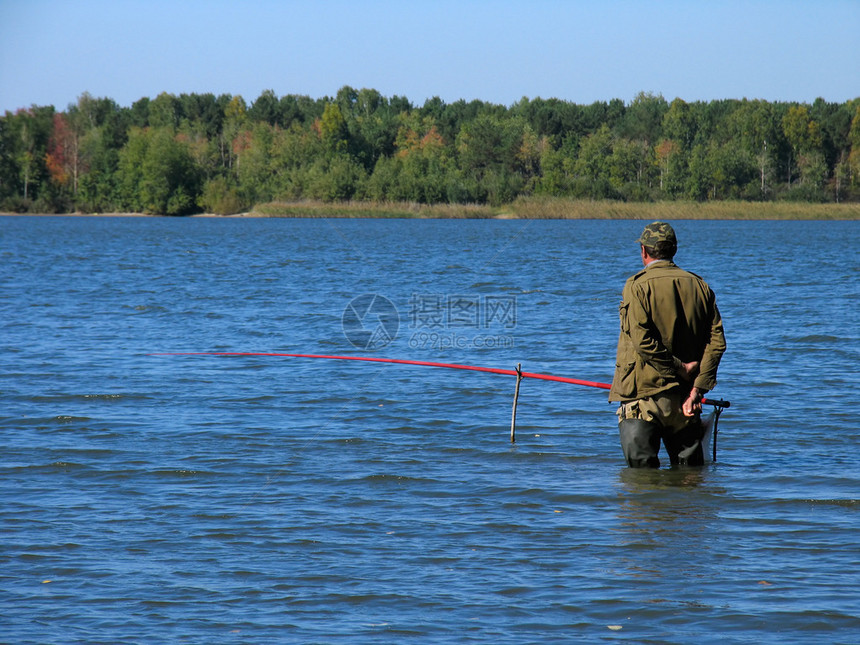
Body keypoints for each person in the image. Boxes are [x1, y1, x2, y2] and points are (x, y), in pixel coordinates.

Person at [609, 221, 726, 467]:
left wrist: (678, 368)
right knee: (689, 484)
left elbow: (642, 342)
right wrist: (697, 391)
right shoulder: (700, 286)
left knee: (641, 485)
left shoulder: (636, 285)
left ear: (644, 251)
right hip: (686, 400)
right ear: (674, 249)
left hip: (642, 397)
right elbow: (717, 344)